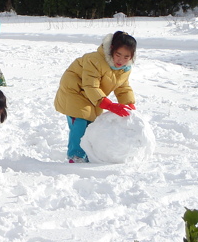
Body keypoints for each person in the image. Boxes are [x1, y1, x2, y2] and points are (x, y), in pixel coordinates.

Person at [54, 31, 137, 163]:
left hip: (92, 95)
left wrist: (129, 105)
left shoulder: (124, 68)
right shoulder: (95, 60)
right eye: (118, 55)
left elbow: (123, 87)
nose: (121, 60)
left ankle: (89, 152)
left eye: (126, 57)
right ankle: (76, 155)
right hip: (75, 91)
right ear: (111, 50)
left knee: (92, 123)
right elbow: (90, 85)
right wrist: (109, 105)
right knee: (81, 119)